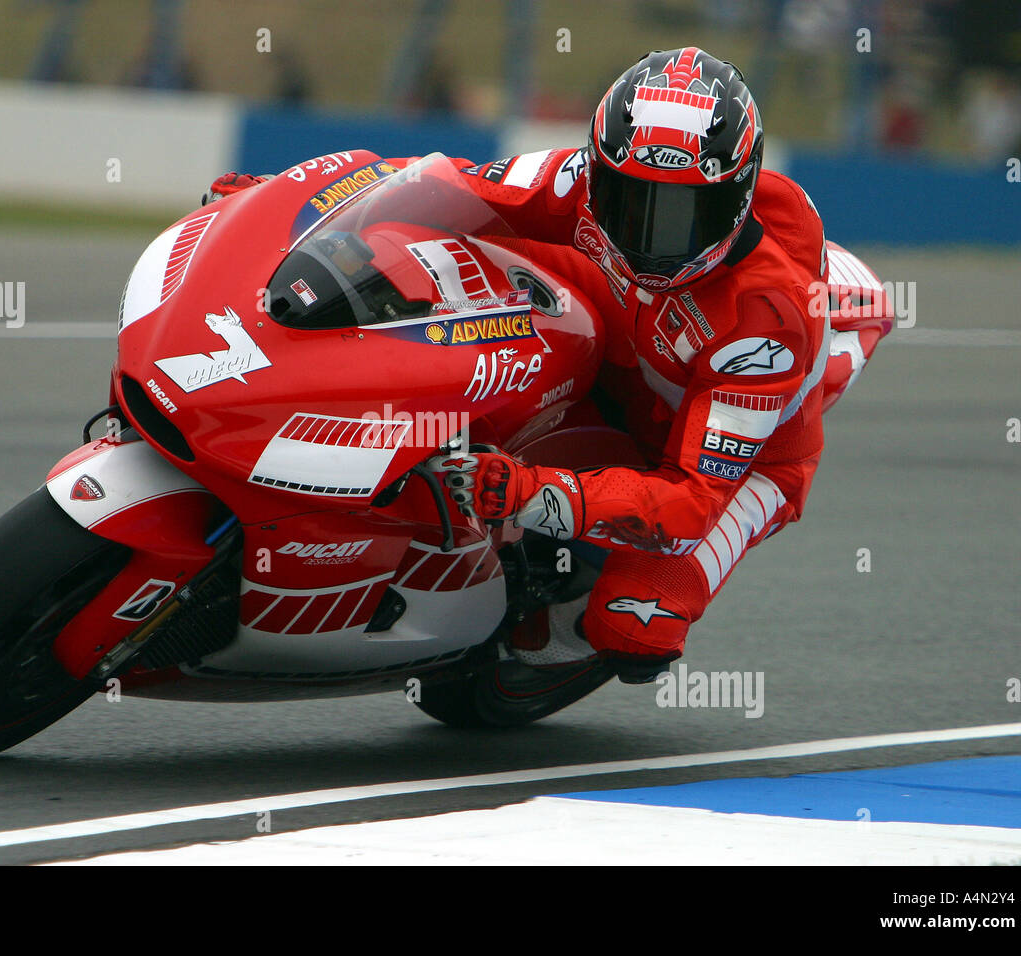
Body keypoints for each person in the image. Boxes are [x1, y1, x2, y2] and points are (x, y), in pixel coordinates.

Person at [209, 47, 889, 684]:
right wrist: (294, 213)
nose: (651, 237)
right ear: (597, 169)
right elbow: (446, 186)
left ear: (736, 199)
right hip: (628, 333)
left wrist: (525, 493)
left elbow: (687, 504)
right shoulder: (580, 184)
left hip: (728, 461)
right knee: (441, 245)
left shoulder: (764, 325)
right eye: (630, 200)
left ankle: (536, 630)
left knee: (635, 629)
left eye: (683, 213)